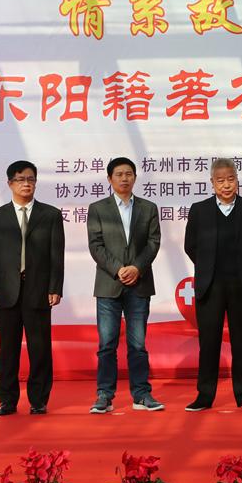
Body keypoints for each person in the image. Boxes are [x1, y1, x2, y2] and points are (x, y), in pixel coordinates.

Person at [183, 158, 242, 411]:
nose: (226, 185)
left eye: (231, 179)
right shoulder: (199, 210)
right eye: (220, 180)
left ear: (237, 180)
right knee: (209, 343)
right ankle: (204, 395)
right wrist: (208, 267)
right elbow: (190, 246)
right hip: (210, 286)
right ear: (212, 183)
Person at [0, 160, 65, 416]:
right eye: (20, 179)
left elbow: (57, 255)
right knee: (8, 350)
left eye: (30, 179)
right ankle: (7, 400)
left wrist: (55, 287)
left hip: (39, 290)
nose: (26, 184)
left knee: (40, 348)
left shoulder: (50, 215)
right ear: (10, 183)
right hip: (6, 292)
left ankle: (38, 400)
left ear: (36, 182)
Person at [86, 157, 163, 414]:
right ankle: (104, 395)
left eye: (129, 173)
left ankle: (141, 394)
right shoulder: (98, 208)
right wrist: (118, 269)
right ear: (109, 179)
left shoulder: (148, 208)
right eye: (119, 174)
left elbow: (153, 242)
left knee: (137, 344)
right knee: (107, 344)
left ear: (135, 177)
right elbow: (96, 245)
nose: (124, 178)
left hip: (139, 284)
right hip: (109, 284)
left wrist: (136, 268)